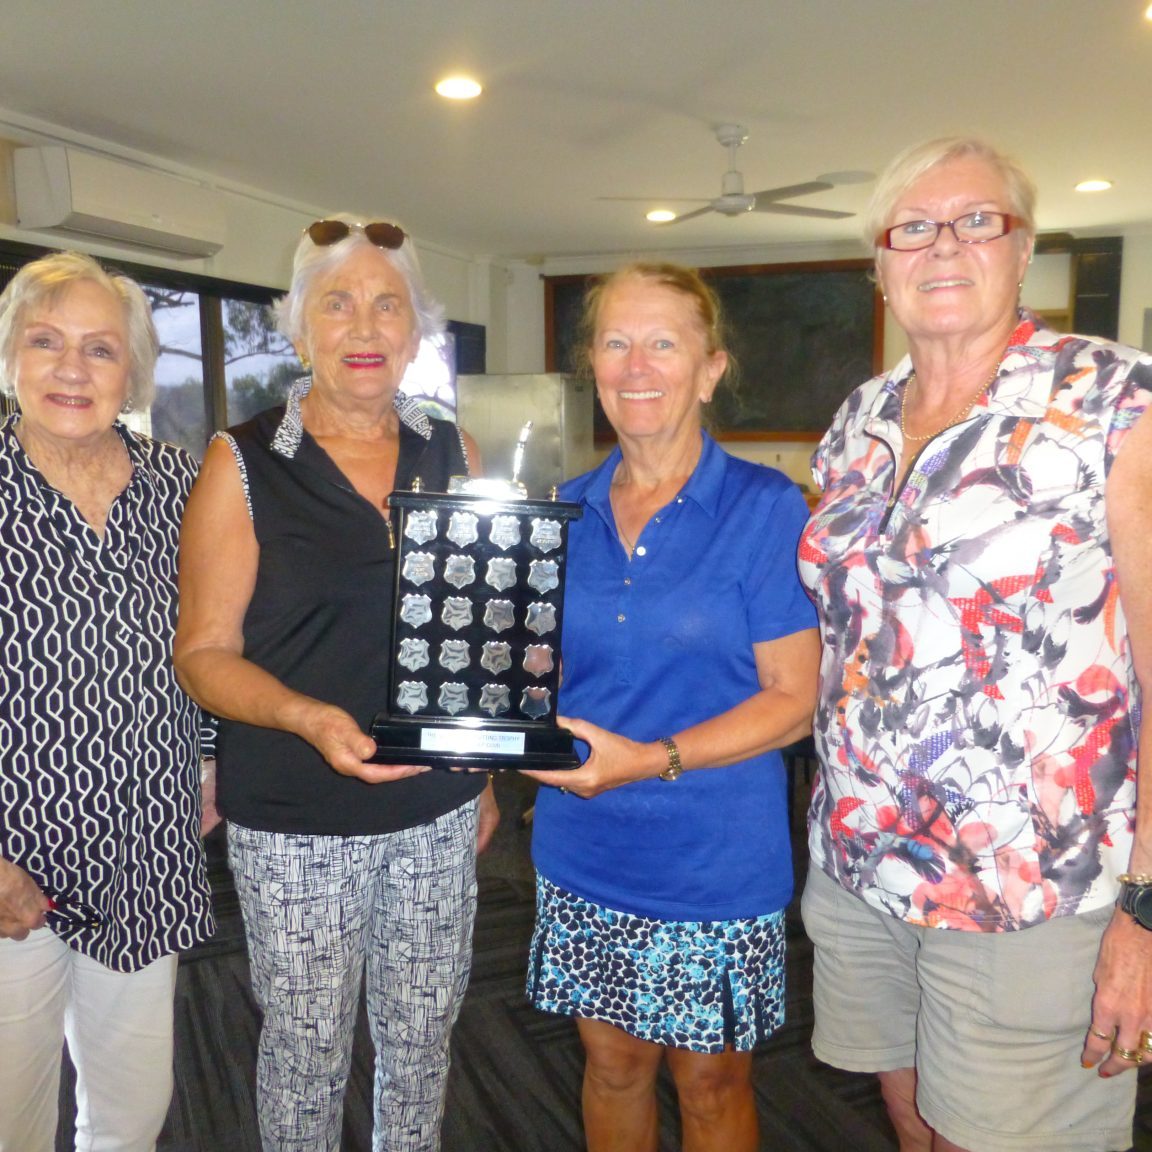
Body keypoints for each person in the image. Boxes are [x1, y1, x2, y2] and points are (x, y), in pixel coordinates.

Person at [798, 136, 1152, 1152]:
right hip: (862, 862)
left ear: (1022, 245)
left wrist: (1150, 908)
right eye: (913, 226)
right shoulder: (859, 418)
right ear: (880, 261)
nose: (942, 244)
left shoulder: (1115, 401)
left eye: (976, 220)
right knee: (915, 1126)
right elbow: (849, 626)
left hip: (1032, 890)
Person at [173, 214, 499, 1152]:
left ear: (415, 330)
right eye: (338, 304)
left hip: (436, 804)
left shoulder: (451, 446)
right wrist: (306, 715)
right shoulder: (242, 462)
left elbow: (474, 632)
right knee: (309, 1046)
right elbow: (203, 651)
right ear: (299, 329)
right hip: (295, 812)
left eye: (387, 304)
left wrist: (486, 771)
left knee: (423, 1036)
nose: (365, 327)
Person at [523, 261, 820, 1152]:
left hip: (714, 856)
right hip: (586, 844)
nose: (637, 364)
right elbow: (540, 678)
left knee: (712, 1082)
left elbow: (794, 701)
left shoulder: (767, 509)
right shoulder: (563, 512)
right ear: (593, 366)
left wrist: (650, 759)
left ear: (709, 368)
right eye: (617, 342)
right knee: (611, 1068)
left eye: (664, 343)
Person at [0, 251, 215, 1151]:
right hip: (14, 851)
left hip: (147, 841)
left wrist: (209, 757)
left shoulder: (183, 483)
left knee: (132, 1111)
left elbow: (214, 632)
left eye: (99, 349)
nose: (71, 370)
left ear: (131, 370)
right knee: (11, 1110)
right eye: (45, 342)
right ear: (10, 356)